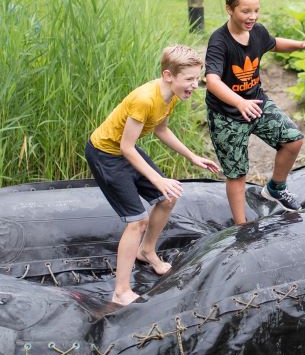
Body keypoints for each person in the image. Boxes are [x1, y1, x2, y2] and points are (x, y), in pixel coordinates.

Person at [86, 45, 221, 305]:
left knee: (167, 198)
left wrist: (192, 156)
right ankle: (121, 291)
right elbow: (126, 147)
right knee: (137, 221)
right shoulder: (145, 99)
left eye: (197, 78)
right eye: (190, 79)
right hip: (105, 154)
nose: (195, 85)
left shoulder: (169, 96)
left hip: (124, 152)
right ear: (169, 75)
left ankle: (146, 252)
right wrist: (158, 179)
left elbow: (161, 130)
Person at [205, 0, 305, 225]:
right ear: (229, 9)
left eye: (256, 10)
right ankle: (241, 226)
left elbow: (273, 43)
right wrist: (239, 102)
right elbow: (212, 81)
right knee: (237, 173)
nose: (252, 17)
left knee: (293, 139)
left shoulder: (256, 32)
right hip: (227, 115)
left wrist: (301, 45)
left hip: (257, 103)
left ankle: (275, 188)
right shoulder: (219, 41)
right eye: (245, 11)